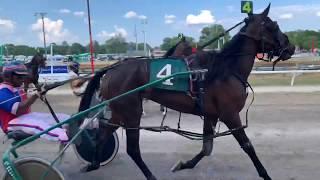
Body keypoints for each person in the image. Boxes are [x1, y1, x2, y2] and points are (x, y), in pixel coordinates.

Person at [0, 62, 69, 142]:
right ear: (8, 76)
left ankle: (73, 125)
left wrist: (41, 92)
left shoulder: (17, 88)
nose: (22, 80)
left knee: (62, 118)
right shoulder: (2, 91)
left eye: (23, 76)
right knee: (39, 125)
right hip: (11, 123)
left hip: (26, 117)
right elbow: (19, 109)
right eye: (19, 77)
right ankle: (63, 136)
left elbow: (26, 103)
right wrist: (36, 95)